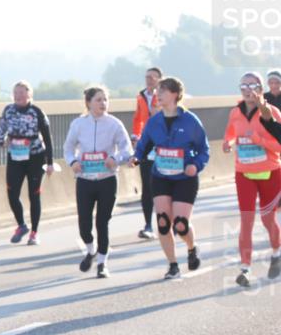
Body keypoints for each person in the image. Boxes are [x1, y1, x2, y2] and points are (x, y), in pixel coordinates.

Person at [131, 76, 210, 280]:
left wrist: (196, 165)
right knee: (164, 222)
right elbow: (144, 144)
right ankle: (173, 265)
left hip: (185, 177)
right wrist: (136, 157)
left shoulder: (190, 120)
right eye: (157, 91)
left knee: (181, 224)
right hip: (160, 176)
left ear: (175, 94)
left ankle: (192, 247)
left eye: (163, 91)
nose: (158, 95)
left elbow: (204, 150)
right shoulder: (154, 121)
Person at [64, 86, 133, 278]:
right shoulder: (78, 124)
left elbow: (127, 149)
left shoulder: (114, 124)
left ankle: (102, 263)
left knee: (103, 221)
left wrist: (116, 158)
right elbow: (68, 147)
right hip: (85, 180)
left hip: (107, 179)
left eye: (105, 100)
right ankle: (90, 249)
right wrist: (73, 161)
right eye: (98, 100)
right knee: (84, 223)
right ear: (88, 103)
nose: (103, 103)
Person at [222, 71, 281, 286]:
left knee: (267, 220)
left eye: (252, 85)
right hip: (244, 172)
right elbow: (230, 132)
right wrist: (228, 142)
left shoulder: (271, 112)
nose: (248, 90)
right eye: (243, 86)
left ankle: (277, 251)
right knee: (246, 220)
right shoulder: (235, 113)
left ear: (261, 89)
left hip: (270, 172)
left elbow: (279, 145)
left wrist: (258, 139)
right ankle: (245, 268)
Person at [0, 81, 54, 245]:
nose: (19, 96)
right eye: (16, 93)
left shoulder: (36, 112)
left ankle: (34, 232)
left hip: (35, 156)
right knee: (12, 193)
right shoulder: (8, 110)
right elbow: (2, 128)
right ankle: (22, 225)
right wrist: (1, 141)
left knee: (34, 194)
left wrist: (49, 162)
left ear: (30, 95)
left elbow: (48, 139)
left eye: (22, 93)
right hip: (15, 156)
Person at [131, 67, 163, 240]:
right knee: (147, 186)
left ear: (159, 79)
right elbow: (138, 118)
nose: (149, 80)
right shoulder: (141, 96)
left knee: (162, 186)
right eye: (147, 77)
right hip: (146, 145)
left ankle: (165, 222)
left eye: (152, 77)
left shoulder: (166, 95)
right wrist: (136, 136)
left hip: (164, 146)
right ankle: (148, 224)